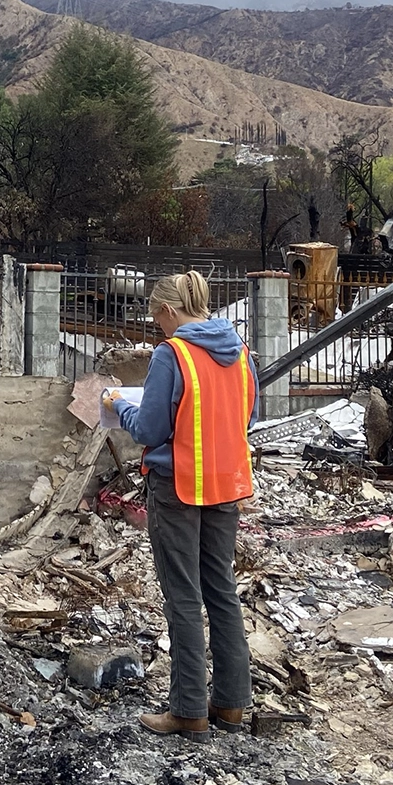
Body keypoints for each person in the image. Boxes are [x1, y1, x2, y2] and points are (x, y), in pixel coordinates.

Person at [104, 272, 258, 739]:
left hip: (178, 487)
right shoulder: (241, 354)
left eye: (156, 318)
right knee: (222, 592)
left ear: (169, 311)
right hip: (226, 486)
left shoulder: (173, 355)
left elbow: (150, 429)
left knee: (184, 597)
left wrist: (118, 404)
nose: (158, 327)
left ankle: (189, 709)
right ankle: (232, 705)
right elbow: (245, 414)